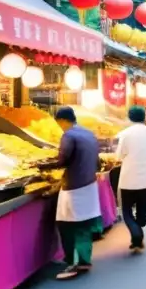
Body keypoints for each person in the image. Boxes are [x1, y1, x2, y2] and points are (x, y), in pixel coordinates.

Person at [52, 107, 102, 280]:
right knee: (84, 225)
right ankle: (84, 259)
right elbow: (98, 162)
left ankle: (74, 262)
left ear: (61, 120)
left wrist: (43, 166)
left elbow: (62, 160)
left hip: (74, 186)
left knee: (68, 225)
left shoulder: (68, 136)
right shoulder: (89, 133)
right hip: (89, 185)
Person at [116, 105, 146, 252]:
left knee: (127, 211)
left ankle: (136, 234)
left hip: (128, 178)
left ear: (129, 117)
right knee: (143, 211)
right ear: (145, 117)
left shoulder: (124, 134)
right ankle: (138, 232)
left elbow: (118, 156)